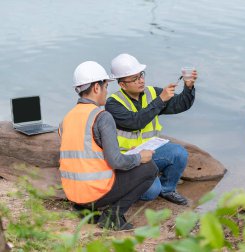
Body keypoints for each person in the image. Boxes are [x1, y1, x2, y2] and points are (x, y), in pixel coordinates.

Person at [59, 61, 157, 231]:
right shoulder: (102, 117)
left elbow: (84, 155)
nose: (106, 92)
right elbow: (116, 162)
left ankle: (86, 211)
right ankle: (112, 217)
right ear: (96, 87)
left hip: (73, 194)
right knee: (150, 168)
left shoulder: (66, 119)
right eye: (105, 87)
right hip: (94, 193)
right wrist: (140, 157)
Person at [105, 53, 198, 205]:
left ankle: (167, 189)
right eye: (134, 78)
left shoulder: (152, 93)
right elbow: (135, 122)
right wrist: (161, 100)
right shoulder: (113, 104)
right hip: (128, 160)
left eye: (141, 75)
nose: (141, 80)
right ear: (122, 84)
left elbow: (180, 105)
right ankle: (133, 183)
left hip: (151, 152)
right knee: (150, 193)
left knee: (179, 153)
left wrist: (188, 87)